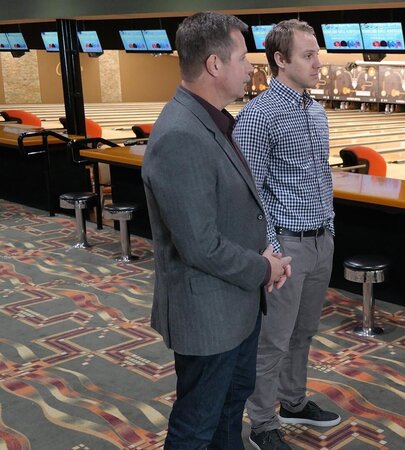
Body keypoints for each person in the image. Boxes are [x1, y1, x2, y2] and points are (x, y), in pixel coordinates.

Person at [142, 11, 292, 449]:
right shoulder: (180, 135)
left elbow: (230, 212)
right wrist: (262, 269)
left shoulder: (212, 120)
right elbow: (199, 244)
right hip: (208, 316)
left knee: (229, 412)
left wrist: (263, 258)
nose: (251, 68)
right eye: (243, 58)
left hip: (236, 307)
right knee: (196, 425)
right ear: (214, 65)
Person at [233, 19, 338, 450]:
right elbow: (247, 194)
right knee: (273, 340)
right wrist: (272, 252)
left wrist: (328, 228)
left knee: (304, 333)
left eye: (318, 54)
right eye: (308, 55)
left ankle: (293, 401)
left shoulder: (315, 110)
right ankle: (262, 423)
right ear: (281, 59)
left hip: (320, 241)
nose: (318, 63)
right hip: (287, 247)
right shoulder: (258, 116)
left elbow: (319, 179)